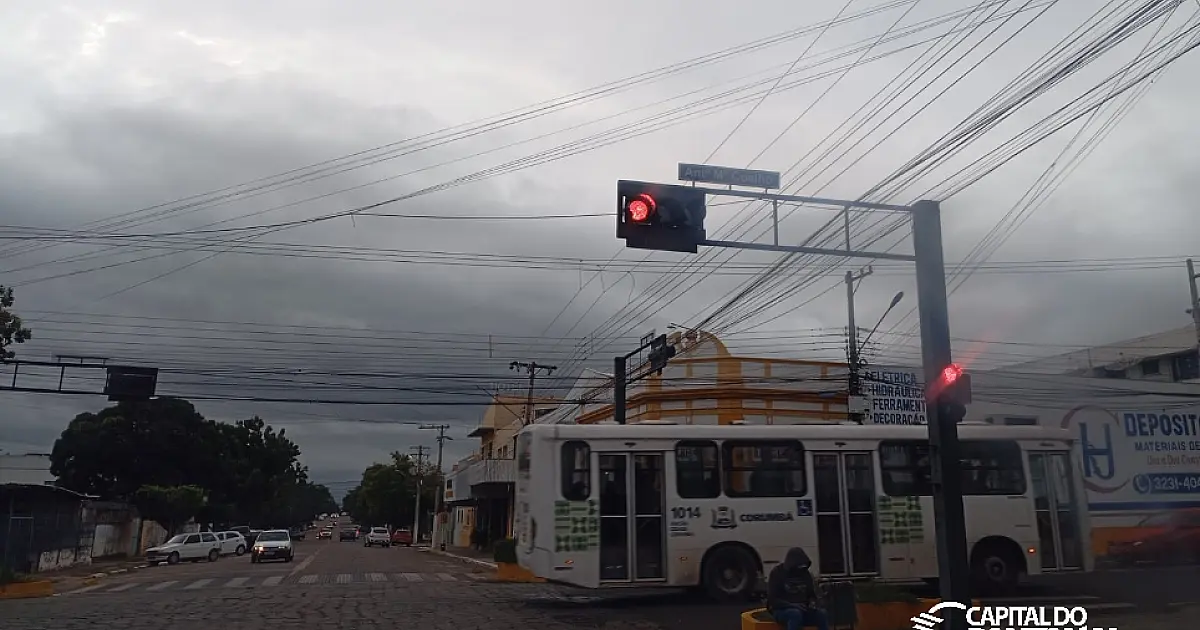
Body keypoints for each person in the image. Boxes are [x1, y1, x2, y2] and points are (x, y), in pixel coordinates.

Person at [766, 547, 829, 630]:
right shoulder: (777, 573)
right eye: (799, 566)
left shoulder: (805, 574)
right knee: (795, 614)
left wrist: (813, 603)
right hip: (782, 610)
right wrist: (793, 605)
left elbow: (811, 594)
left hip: (803, 609)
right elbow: (773, 600)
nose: (801, 569)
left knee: (822, 614)